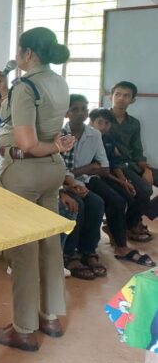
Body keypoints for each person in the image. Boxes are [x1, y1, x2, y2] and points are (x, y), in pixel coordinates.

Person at [0, 26, 77, 351]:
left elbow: (26, 141)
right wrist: (4, 89)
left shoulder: (28, 86)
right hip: (52, 174)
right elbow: (15, 116)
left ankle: (23, 329)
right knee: (49, 242)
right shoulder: (57, 81)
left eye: (18, 51)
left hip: (26, 173)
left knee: (24, 252)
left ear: (28, 54)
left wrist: (22, 149)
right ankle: (49, 315)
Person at [64, 94, 153, 267]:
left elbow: (104, 167)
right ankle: (73, 252)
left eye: (84, 109)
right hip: (67, 181)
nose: (81, 113)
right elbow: (61, 170)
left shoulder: (94, 135)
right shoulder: (60, 135)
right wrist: (88, 167)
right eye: (75, 109)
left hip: (90, 179)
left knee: (118, 200)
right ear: (66, 113)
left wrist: (86, 170)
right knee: (91, 204)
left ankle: (118, 247)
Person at [89, 108, 154, 240]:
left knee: (139, 191)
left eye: (107, 123)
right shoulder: (89, 139)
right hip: (95, 177)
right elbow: (101, 170)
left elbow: (114, 162)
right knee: (124, 198)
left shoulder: (108, 139)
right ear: (91, 122)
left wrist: (124, 181)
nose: (103, 127)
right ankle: (119, 231)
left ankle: (129, 225)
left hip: (114, 170)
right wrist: (121, 182)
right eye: (99, 123)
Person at [107, 81, 157, 233]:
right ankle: (131, 224)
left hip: (134, 164)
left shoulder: (134, 123)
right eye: (118, 94)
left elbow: (137, 150)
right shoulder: (101, 119)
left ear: (132, 100)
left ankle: (143, 214)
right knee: (145, 190)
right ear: (111, 97)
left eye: (126, 95)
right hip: (115, 166)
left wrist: (146, 169)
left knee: (145, 185)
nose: (121, 98)